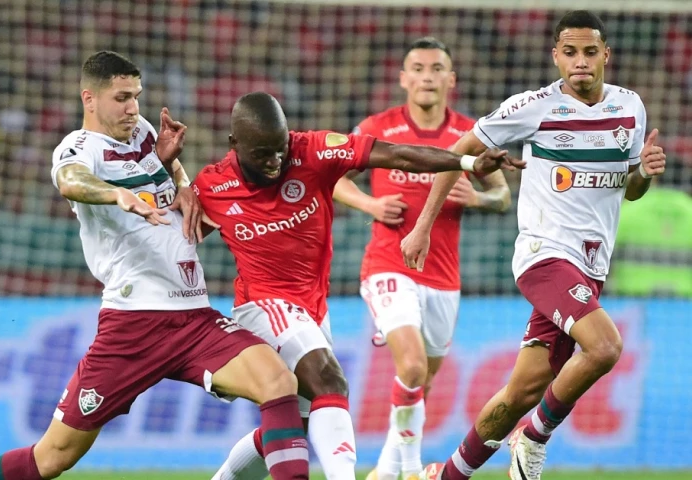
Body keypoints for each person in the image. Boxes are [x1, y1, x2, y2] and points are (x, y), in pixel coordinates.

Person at [0, 51, 311, 480]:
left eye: (136, 96)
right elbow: (70, 180)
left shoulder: (145, 134)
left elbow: (169, 182)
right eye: (121, 98)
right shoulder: (80, 148)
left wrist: (180, 176)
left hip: (193, 319)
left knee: (279, 383)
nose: (133, 107)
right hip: (133, 326)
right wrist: (116, 194)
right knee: (52, 456)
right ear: (90, 99)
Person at [192, 91, 523, 480]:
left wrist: (466, 160)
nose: (275, 161)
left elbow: (397, 154)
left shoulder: (313, 151)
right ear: (235, 144)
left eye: (279, 149)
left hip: (312, 308)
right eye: (263, 153)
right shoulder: (212, 186)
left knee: (291, 428)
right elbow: (175, 240)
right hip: (262, 305)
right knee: (330, 380)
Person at [398, 12, 666, 480]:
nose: (579, 61)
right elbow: (455, 155)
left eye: (589, 52)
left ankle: (445, 476)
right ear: (556, 57)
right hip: (544, 256)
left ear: (606, 55)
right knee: (604, 348)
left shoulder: (631, 108)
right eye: (569, 52)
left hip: (590, 267)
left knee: (521, 392)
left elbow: (630, 189)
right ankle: (534, 438)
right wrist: (423, 225)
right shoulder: (533, 106)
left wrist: (643, 170)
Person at [332, 37, 512, 480]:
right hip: (387, 265)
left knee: (422, 383)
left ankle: (383, 473)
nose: (427, 75)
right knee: (410, 365)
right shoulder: (377, 127)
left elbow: (504, 197)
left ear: (451, 80)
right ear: (404, 79)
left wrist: (480, 199)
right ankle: (411, 471)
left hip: (444, 277)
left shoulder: (470, 133)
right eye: (418, 67)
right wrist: (371, 206)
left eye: (436, 68)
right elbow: (332, 178)